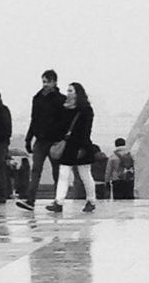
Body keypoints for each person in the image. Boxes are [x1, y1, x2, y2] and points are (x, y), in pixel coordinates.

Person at [16, 70, 67, 212]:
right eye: (43, 82)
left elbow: (64, 121)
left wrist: (62, 139)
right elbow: (34, 119)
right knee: (36, 170)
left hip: (55, 141)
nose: (45, 85)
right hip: (40, 140)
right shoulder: (37, 98)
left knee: (57, 172)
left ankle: (58, 201)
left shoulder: (60, 99)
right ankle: (30, 200)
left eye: (48, 82)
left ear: (54, 82)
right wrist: (28, 138)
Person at [46, 82, 97, 214]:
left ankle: (91, 200)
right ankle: (59, 201)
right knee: (64, 174)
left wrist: (83, 146)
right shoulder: (65, 108)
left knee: (85, 175)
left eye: (70, 91)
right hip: (68, 146)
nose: (67, 93)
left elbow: (86, 130)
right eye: (67, 91)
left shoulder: (85, 110)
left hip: (80, 146)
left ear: (77, 93)